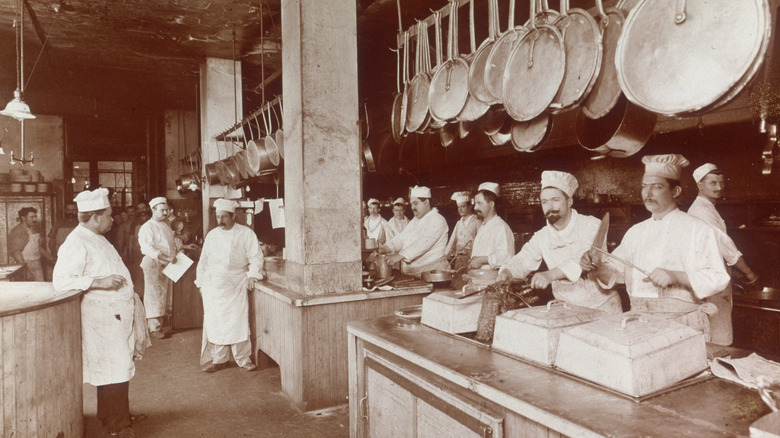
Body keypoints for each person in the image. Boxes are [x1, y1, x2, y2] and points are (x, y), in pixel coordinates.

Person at [582, 155, 730, 328]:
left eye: (657, 187)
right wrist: (598, 267)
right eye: (645, 186)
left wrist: (676, 276)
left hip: (683, 324)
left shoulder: (698, 229)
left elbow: (718, 277)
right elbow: (615, 273)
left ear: (675, 191)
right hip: (639, 323)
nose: (648, 193)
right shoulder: (635, 232)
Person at [53, 188, 149, 438]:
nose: (112, 219)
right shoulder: (76, 241)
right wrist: (98, 282)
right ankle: (118, 425)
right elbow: (61, 281)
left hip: (114, 314)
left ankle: (111, 415)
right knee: (114, 367)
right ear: (95, 217)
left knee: (115, 367)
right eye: (108, 215)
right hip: (103, 316)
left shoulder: (96, 236)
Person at [497, 172, 621, 311]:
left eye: (555, 200)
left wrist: (550, 275)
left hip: (601, 307)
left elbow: (585, 258)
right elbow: (523, 259)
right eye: (544, 202)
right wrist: (507, 272)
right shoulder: (542, 236)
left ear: (569, 202)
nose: (549, 206)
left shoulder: (591, 225)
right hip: (565, 309)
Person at [687, 163, 759, 345]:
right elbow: (725, 244)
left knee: (716, 328)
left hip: (714, 276)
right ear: (700, 185)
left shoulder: (708, 207)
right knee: (718, 331)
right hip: (711, 279)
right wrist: (748, 273)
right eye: (713, 183)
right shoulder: (701, 211)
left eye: (721, 182)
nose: (719, 187)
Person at [196, 198, 263, 372]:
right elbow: (203, 262)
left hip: (235, 283)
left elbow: (256, 257)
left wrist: (252, 275)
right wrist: (201, 283)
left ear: (234, 216)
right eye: (218, 217)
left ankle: (243, 358)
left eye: (224, 217)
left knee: (237, 323)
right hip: (213, 285)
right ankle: (219, 359)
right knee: (215, 323)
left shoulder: (246, 233)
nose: (220, 221)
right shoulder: (212, 235)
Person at [378, 186, 449, 277]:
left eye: (415, 203)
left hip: (432, 274)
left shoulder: (438, 220)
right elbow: (402, 238)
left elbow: (422, 244)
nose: (412, 207)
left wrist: (398, 256)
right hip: (412, 274)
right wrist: (386, 247)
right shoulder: (416, 220)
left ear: (426, 202)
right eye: (411, 204)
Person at [138, 197, 177, 339]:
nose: (165, 213)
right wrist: (166, 258)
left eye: (166, 210)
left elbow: (169, 245)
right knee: (154, 294)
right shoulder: (147, 227)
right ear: (153, 210)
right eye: (162, 210)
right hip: (153, 263)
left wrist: (183, 247)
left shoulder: (165, 225)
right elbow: (148, 248)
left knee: (164, 294)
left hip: (166, 263)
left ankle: (162, 325)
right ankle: (154, 328)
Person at [469, 183, 514, 271]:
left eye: (479, 203)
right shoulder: (482, 227)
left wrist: (482, 260)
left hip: (492, 281)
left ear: (491, 204)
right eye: (475, 204)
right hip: (478, 279)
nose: (475, 207)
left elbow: (507, 256)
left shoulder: (501, 227)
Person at [8, 207, 53, 281]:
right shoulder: (18, 231)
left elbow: (38, 247)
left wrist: (51, 259)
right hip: (26, 265)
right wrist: (25, 271)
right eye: (31, 217)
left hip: (36, 264)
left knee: (40, 288)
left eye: (35, 216)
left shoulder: (31, 229)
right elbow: (16, 253)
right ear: (23, 218)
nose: (35, 219)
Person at [445, 191, 482, 271]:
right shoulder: (459, 223)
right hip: (459, 260)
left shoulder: (476, 221)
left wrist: (468, 251)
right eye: (458, 207)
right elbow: (452, 241)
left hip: (471, 259)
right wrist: (446, 256)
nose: (460, 209)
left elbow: (481, 243)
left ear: (469, 207)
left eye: (463, 206)